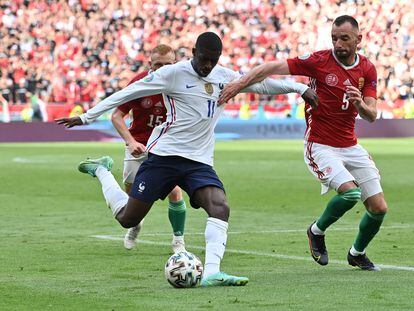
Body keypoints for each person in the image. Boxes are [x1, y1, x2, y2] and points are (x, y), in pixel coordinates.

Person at [56, 31, 317, 286]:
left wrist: (299, 87)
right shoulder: (172, 74)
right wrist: (86, 116)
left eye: (212, 60)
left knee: (220, 207)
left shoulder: (223, 76)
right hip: (164, 157)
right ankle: (102, 171)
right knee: (128, 218)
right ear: (193, 52)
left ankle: (212, 273)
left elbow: (261, 85)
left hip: (199, 161)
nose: (207, 65)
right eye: (203, 58)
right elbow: (127, 93)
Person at [219, 15, 387, 271]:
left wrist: (360, 104)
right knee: (350, 193)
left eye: (344, 38)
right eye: (334, 38)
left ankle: (356, 253)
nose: (338, 44)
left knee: (379, 208)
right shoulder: (319, 61)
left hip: (350, 145)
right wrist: (240, 83)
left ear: (358, 39)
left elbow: (372, 115)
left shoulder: (367, 69)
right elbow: (270, 68)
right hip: (320, 145)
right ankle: (316, 231)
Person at [111, 44, 187, 252]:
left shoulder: (183, 83)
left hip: (166, 146)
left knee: (174, 190)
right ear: (150, 65)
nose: (163, 69)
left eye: (168, 65)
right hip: (138, 144)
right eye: (158, 65)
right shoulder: (139, 83)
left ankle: (178, 240)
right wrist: (130, 141)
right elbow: (116, 116)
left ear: (175, 65)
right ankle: (136, 224)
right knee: (132, 191)